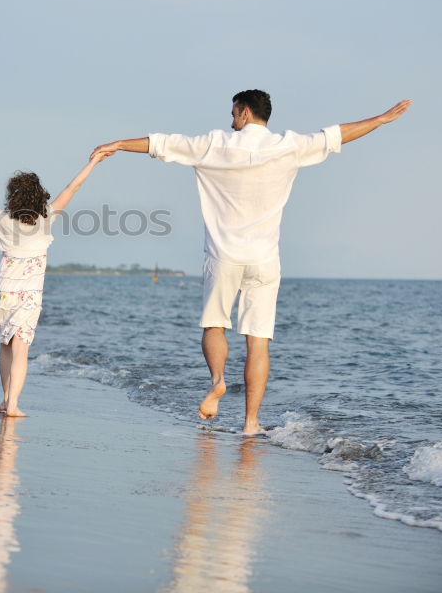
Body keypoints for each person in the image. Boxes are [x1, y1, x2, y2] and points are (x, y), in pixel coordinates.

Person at [93, 91, 411, 434]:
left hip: (223, 256)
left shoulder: (214, 145)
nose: (230, 121)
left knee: (214, 325)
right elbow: (336, 135)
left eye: (233, 114)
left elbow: (162, 143)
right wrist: (380, 119)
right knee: (257, 341)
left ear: (244, 113)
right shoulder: (288, 145)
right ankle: (250, 423)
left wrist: (119, 144)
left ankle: (217, 382)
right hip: (264, 259)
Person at [0, 151, 111, 417]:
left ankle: (5, 400)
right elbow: (73, 187)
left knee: (5, 346)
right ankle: (13, 404)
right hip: (28, 296)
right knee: (21, 349)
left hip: (3, 292)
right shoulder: (47, 217)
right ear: (39, 196)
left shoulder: (2, 220)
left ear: (12, 196)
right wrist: (93, 162)